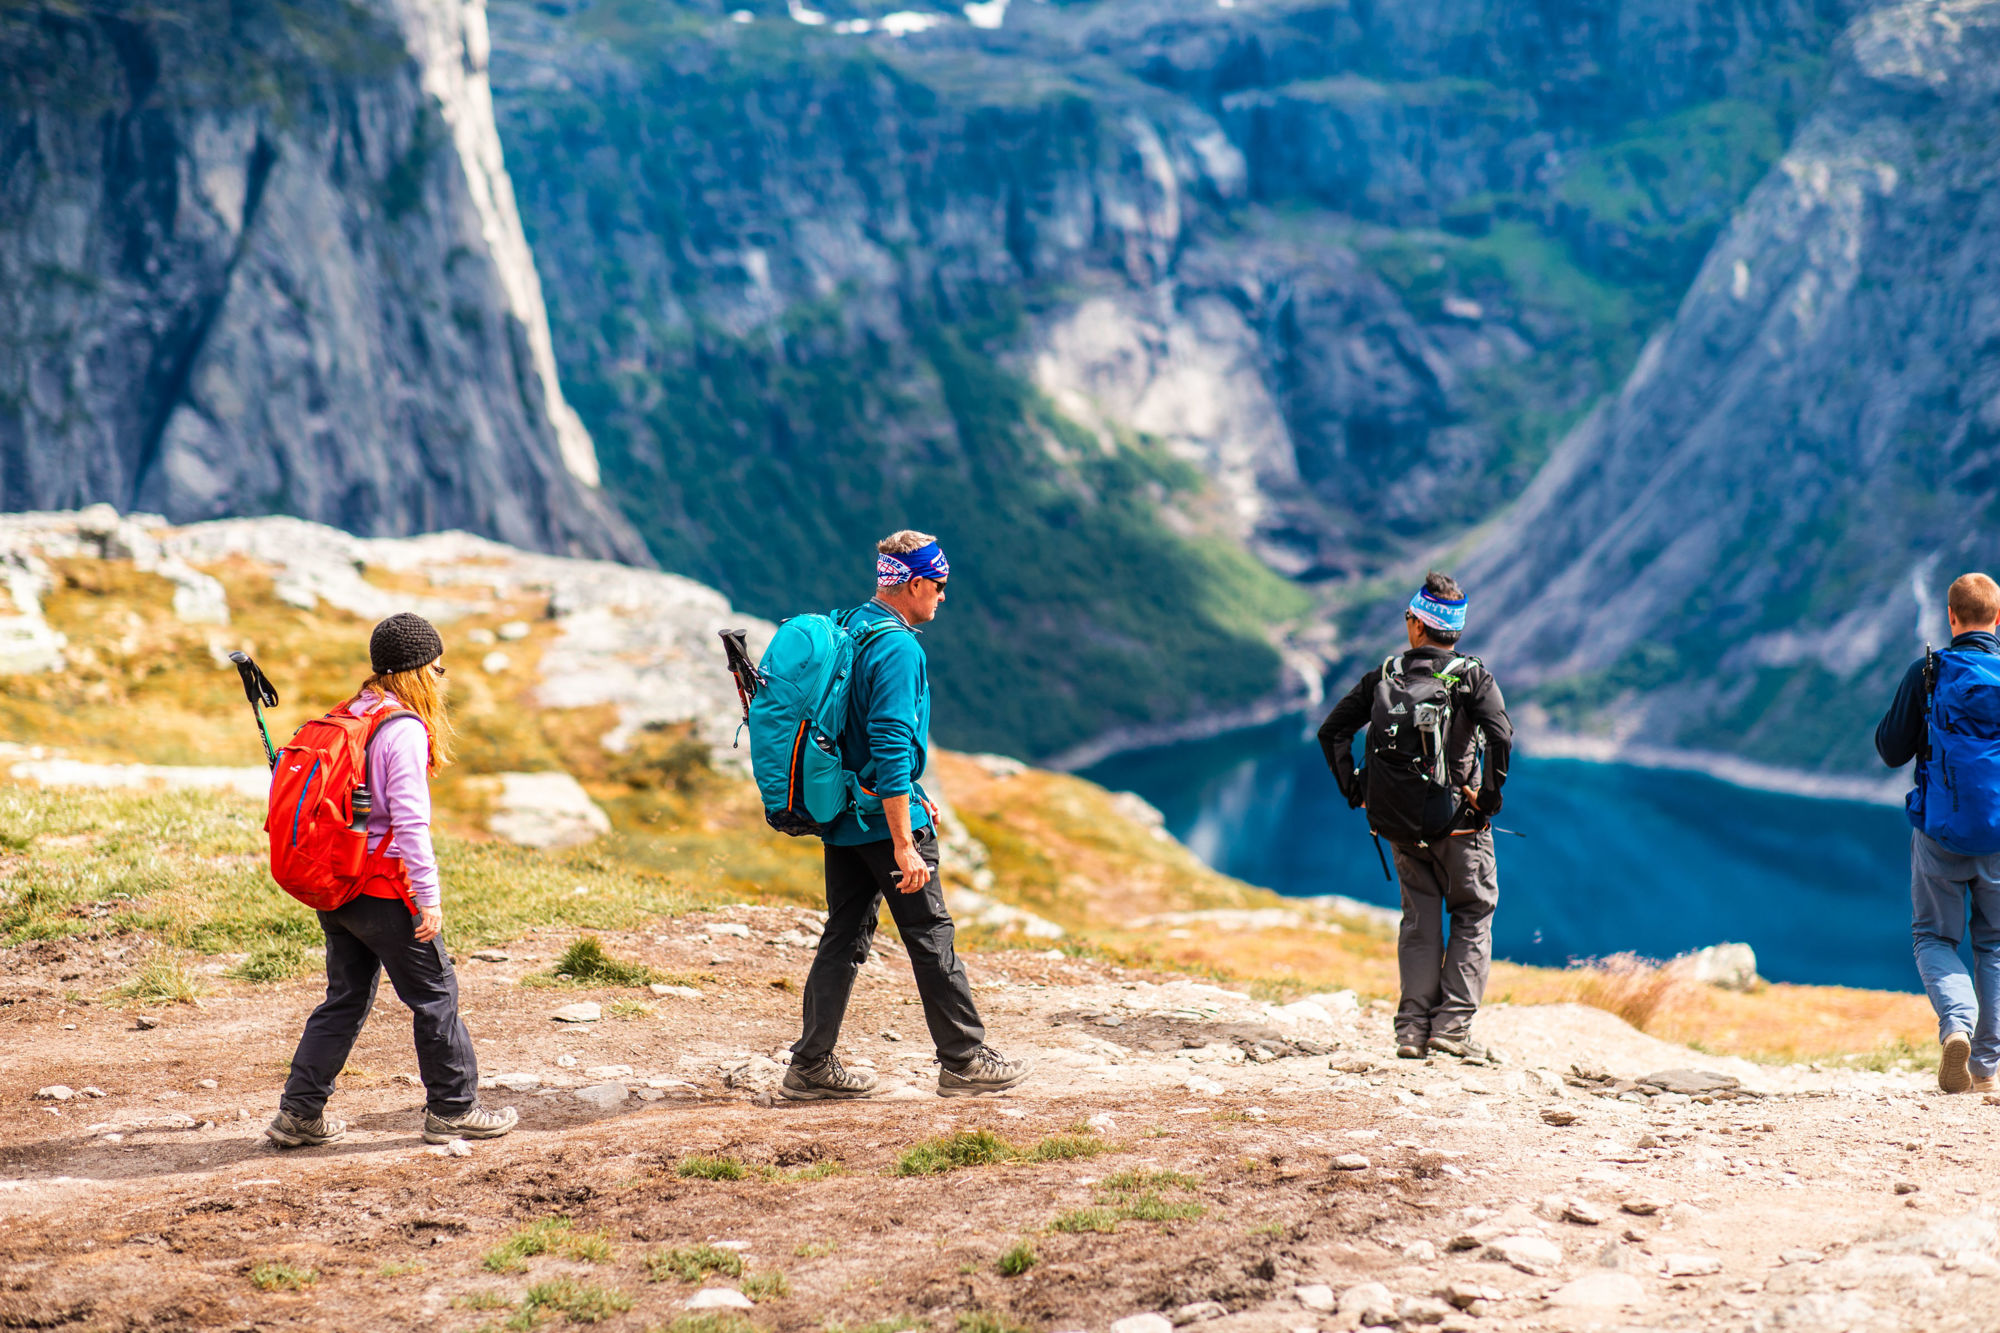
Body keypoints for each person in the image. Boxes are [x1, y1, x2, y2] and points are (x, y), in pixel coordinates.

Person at [781, 531, 1030, 1100]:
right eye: (939, 586)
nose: (943, 597)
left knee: (843, 934)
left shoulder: (847, 626)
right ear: (915, 583)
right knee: (928, 931)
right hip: (881, 820)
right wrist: (903, 840)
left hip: (841, 812)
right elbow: (891, 743)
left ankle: (811, 1065)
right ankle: (964, 1059)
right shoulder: (898, 647)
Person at [266, 613, 518, 1147]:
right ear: (420, 671)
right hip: (383, 887)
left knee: (347, 996)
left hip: (338, 883)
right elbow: (409, 821)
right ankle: (453, 1108)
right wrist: (428, 898)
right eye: (438, 667)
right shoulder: (400, 728)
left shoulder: (352, 712)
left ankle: (299, 1113)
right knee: (435, 994)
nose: (441, 675)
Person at [1317, 572, 1513, 1064]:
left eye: (1408, 618)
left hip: (1399, 826)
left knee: (1419, 921)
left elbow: (1332, 732)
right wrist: (1488, 800)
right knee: (1472, 913)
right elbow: (1502, 737)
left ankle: (1411, 1032)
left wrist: (1356, 791)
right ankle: (1450, 1029)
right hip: (1459, 824)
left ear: (1418, 625)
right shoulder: (1472, 678)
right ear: (1455, 631)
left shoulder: (1384, 677)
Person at [1876, 572, 2000, 1095]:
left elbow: (1890, 750)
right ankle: (1986, 1069)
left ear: (1951, 618)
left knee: (1933, 937)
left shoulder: (1927, 673)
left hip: (1939, 834)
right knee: (1994, 945)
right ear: (1998, 619)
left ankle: (1957, 1025)